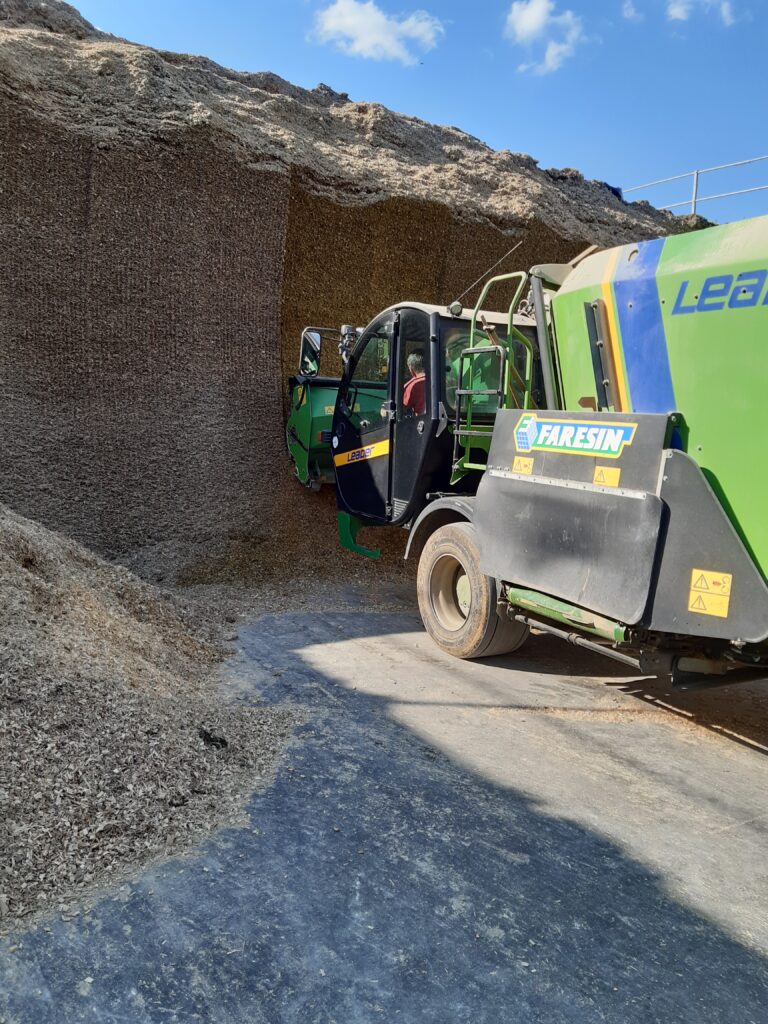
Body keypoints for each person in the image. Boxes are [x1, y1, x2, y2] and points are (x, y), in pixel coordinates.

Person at [403, 351, 426, 416]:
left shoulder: (412, 385)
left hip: (422, 423)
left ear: (411, 369)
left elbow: (402, 408)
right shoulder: (445, 380)